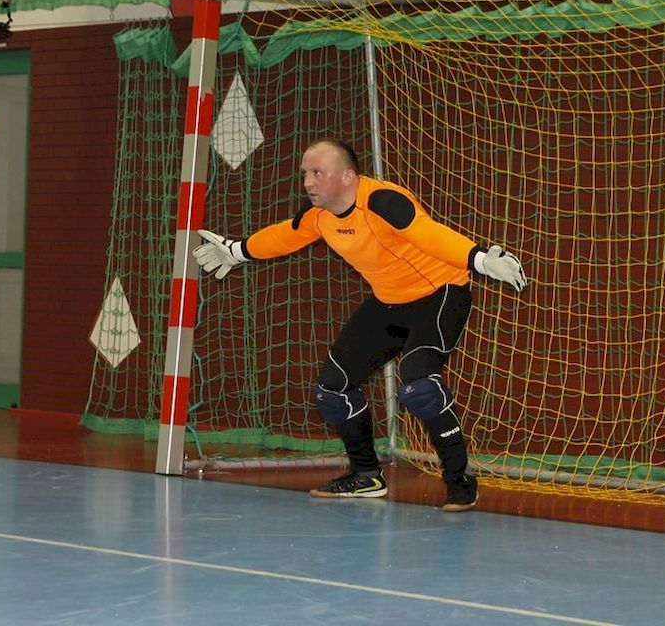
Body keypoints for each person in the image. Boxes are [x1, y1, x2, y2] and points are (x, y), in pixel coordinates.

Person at [193, 138, 526, 512]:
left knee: (419, 386)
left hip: (440, 293)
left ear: (348, 177)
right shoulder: (319, 215)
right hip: (390, 301)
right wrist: (236, 251)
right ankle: (366, 475)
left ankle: (459, 481)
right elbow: (286, 234)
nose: (308, 182)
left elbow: (428, 234)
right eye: (305, 173)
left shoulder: (382, 201)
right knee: (332, 388)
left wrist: (478, 259)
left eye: (317, 173)